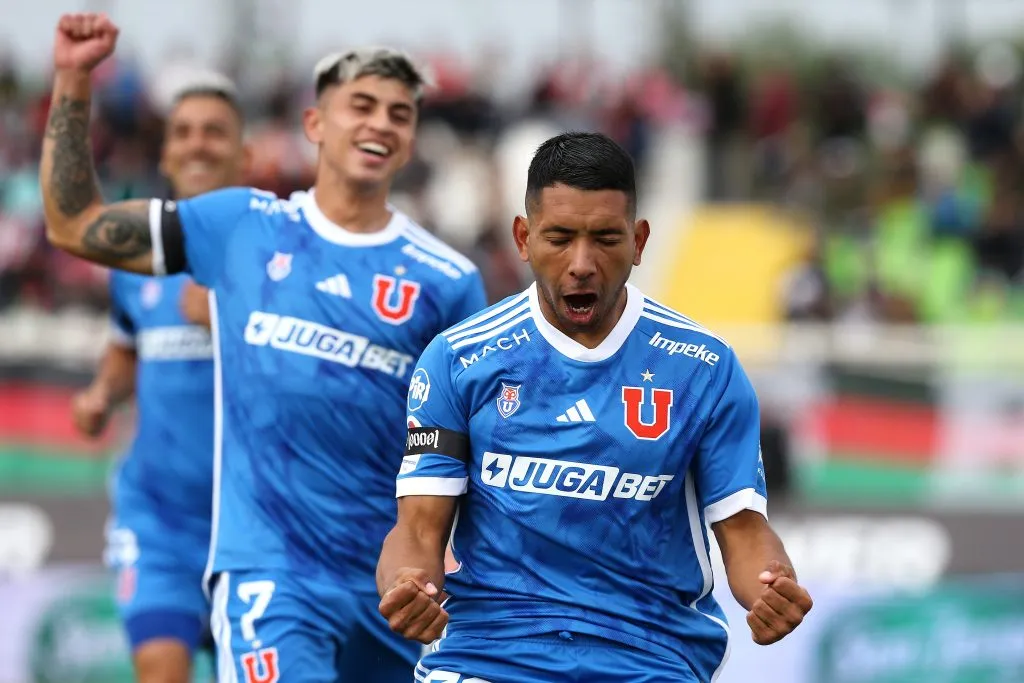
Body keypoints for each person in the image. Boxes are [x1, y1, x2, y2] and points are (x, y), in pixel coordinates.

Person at [41, 13, 488, 683]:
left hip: (392, 584)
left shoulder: (448, 280)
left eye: (400, 113)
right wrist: (75, 80)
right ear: (314, 125)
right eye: (360, 105)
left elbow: (476, 443)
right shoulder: (242, 227)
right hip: (268, 571)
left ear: (412, 137)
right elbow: (74, 224)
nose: (380, 123)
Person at [377, 131, 813, 682]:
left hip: (647, 655)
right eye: (559, 238)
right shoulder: (459, 360)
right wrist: (407, 585)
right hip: (490, 653)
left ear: (639, 241)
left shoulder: (704, 367)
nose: (582, 263)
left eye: (605, 239)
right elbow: (417, 528)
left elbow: (745, 532)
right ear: (522, 236)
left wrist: (772, 586)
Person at [73, 76, 249, 683]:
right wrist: (101, 394)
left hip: (255, 527)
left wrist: (231, 316)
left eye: (214, 131)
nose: (197, 144)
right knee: (159, 670)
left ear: (244, 154)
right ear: (166, 153)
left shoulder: (276, 255)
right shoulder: (136, 262)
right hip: (159, 521)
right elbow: (127, 345)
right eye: (183, 132)